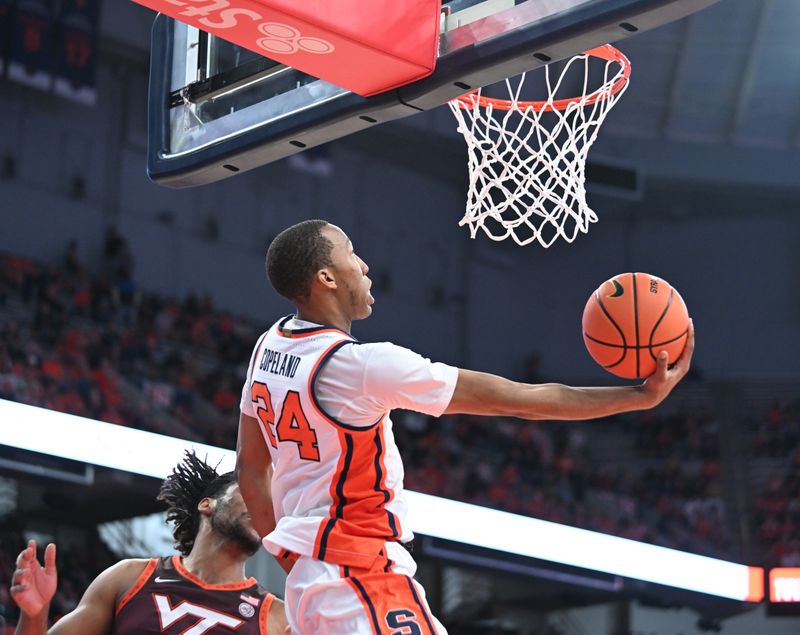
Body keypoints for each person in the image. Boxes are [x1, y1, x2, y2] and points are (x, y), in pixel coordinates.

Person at [236, 219, 695, 634]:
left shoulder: (268, 348)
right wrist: (640, 397)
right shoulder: (362, 367)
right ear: (327, 278)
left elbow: (252, 472)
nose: (364, 264)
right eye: (351, 252)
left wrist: (295, 555)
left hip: (311, 585)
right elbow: (520, 401)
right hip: (360, 580)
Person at [10, 452, 289, 634]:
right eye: (251, 493)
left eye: (270, 503)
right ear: (207, 505)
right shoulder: (130, 578)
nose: (263, 506)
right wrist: (35, 614)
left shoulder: (278, 618)